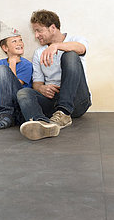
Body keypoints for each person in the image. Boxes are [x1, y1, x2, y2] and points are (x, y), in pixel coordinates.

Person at [17, 10, 91, 140]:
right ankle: (42, 124)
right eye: (35, 31)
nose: (36, 35)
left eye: (39, 30)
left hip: (77, 100)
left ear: (52, 28)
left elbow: (81, 48)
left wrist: (56, 46)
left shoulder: (75, 40)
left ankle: (64, 112)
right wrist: (41, 88)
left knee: (71, 55)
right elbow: (37, 83)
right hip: (53, 101)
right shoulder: (39, 53)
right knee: (23, 93)